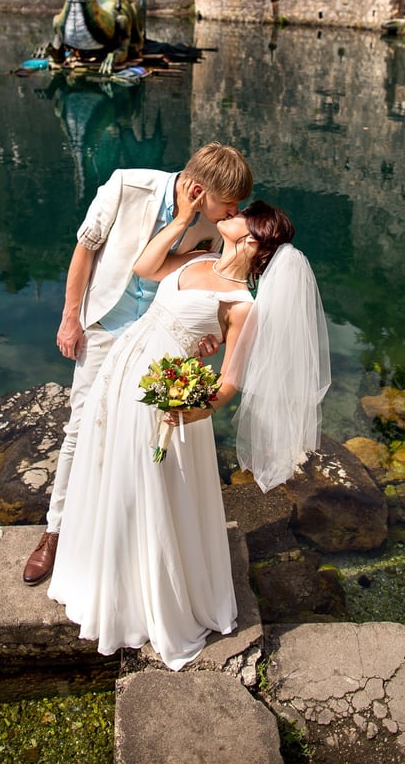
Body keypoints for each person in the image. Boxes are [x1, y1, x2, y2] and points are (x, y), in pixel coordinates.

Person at [47, 188, 331, 671]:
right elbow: (144, 267)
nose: (234, 214)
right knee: (107, 471)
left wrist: (196, 409)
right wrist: (180, 218)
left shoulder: (242, 305)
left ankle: (144, 598)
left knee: (141, 490)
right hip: (123, 371)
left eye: (245, 217)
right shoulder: (197, 256)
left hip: (161, 398)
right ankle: (98, 575)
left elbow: (232, 380)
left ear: (255, 240)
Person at [22, 142, 254, 585]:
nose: (235, 212)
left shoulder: (216, 223)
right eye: (230, 202)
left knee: (145, 437)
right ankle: (55, 533)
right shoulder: (127, 185)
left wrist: (207, 333)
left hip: (158, 340)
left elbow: (197, 281)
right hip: (107, 326)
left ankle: (129, 539)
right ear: (199, 189)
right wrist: (71, 317)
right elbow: (84, 251)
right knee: (81, 426)